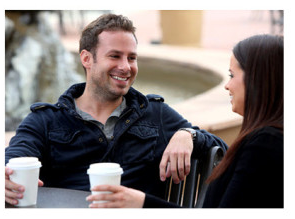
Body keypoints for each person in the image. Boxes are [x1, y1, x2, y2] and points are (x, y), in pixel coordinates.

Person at [5, 14, 227, 206]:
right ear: (86, 59)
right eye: (115, 56)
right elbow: (13, 161)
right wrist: (4, 178)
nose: (126, 67)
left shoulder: (155, 114)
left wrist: (188, 134)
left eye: (132, 58)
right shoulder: (45, 120)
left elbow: (223, 151)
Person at [85, 34, 283, 208]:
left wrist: (142, 203)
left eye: (232, 75)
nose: (227, 86)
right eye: (114, 56)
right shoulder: (267, 139)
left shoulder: (265, 145)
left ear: (258, 79)